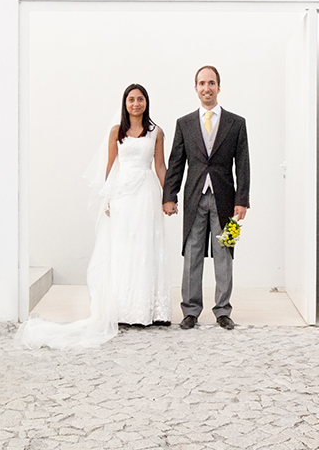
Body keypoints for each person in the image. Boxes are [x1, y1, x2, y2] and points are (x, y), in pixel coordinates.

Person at [18, 83, 174, 348]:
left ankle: (151, 310)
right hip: (123, 194)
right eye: (131, 100)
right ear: (125, 104)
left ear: (146, 102)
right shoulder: (116, 132)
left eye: (140, 99)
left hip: (146, 194)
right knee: (123, 248)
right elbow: (110, 166)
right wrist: (107, 197)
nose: (136, 104)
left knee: (146, 246)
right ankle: (123, 309)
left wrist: (167, 195)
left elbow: (159, 164)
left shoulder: (156, 132)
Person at [163, 66, 250, 330]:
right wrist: (170, 195)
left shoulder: (237, 123)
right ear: (196, 88)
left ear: (219, 87)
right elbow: (176, 163)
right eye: (202, 83)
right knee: (192, 253)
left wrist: (242, 200)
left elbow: (243, 164)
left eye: (211, 83)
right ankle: (190, 311)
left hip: (227, 201)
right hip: (193, 200)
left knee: (226, 252)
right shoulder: (184, 123)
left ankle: (223, 310)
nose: (207, 88)